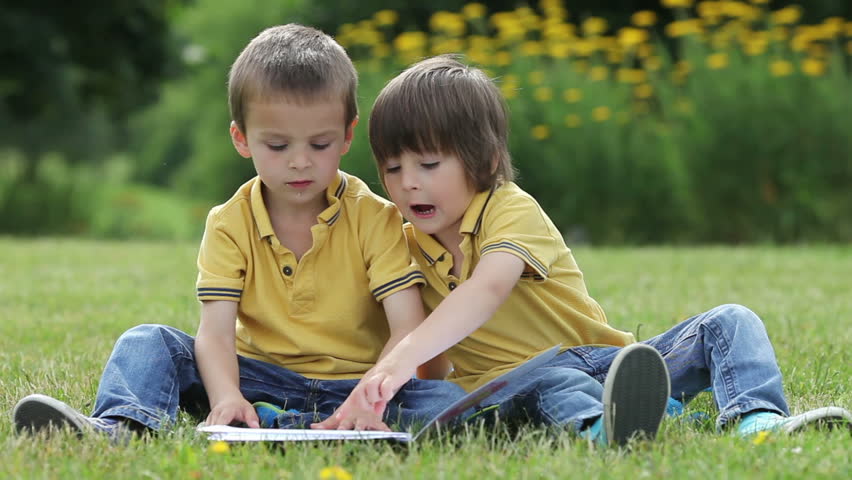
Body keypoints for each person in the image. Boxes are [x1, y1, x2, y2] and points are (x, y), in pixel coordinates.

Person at [325, 55, 852, 445]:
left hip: (609, 361)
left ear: (482, 159)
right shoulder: (402, 239)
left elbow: (486, 290)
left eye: (428, 165)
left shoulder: (508, 208)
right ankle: (608, 428)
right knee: (549, 381)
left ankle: (754, 420)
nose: (408, 184)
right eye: (392, 169)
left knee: (731, 321)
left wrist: (395, 364)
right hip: (516, 385)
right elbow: (433, 351)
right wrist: (413, 386)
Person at [12, 25, 464, 439]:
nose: (300, 161)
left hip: (358, 384)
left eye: (320, 144)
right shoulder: (228, 222)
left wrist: (368, 395)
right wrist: (227, 394)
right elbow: (215, 334)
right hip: (255, 377)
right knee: (149, 343)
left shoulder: (376, 217)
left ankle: (312, 423)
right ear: (241, 138)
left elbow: (406, 325)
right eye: (278, 145)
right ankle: (119, 426)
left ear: (347, 136)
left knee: (447, 400)